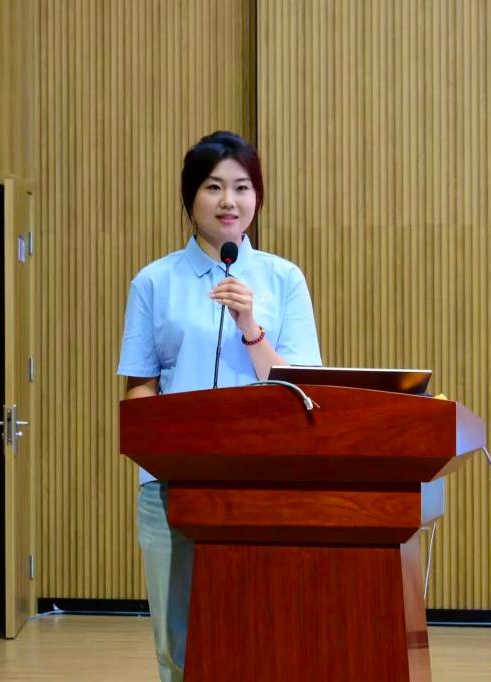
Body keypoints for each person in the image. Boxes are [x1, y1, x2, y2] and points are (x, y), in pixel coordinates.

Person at [116, 130, 322, 681]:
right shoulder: (154, 281)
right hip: (171, 484)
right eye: (213, 187)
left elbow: (301, 387)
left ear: (257, 197)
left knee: (260, 630)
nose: (229, 201)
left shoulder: (283, 279)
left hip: (263, 481)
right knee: (176, 642)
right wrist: (160, 454)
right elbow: (139, 386)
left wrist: (250, 326)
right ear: (191, 198)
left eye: (242, 187)